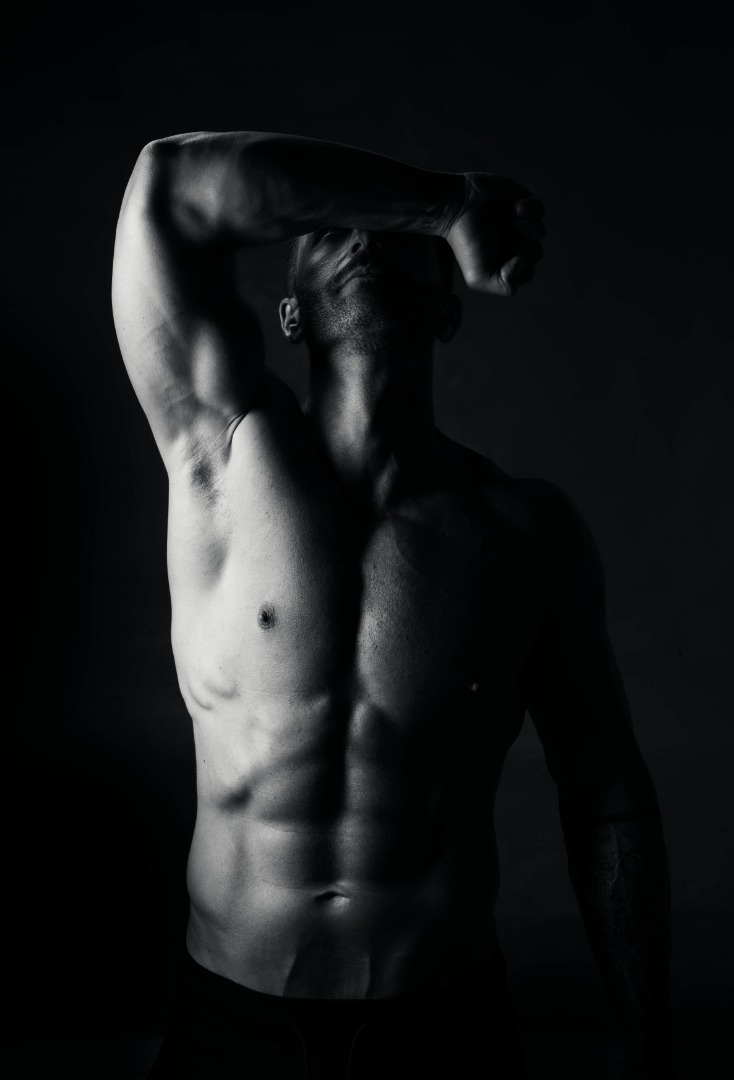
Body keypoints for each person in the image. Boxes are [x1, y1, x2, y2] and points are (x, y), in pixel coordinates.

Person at [112, 131, 676, 1079]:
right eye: (333, 228)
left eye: (392, 235)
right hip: (233, 1034)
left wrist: (650, 1045)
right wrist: (441, 207)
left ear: (450, 309)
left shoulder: (528, 532)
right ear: (288, 313)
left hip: (443, 1034)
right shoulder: (216, 461)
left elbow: (604, 791)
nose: (364, 238)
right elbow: (168, 183)